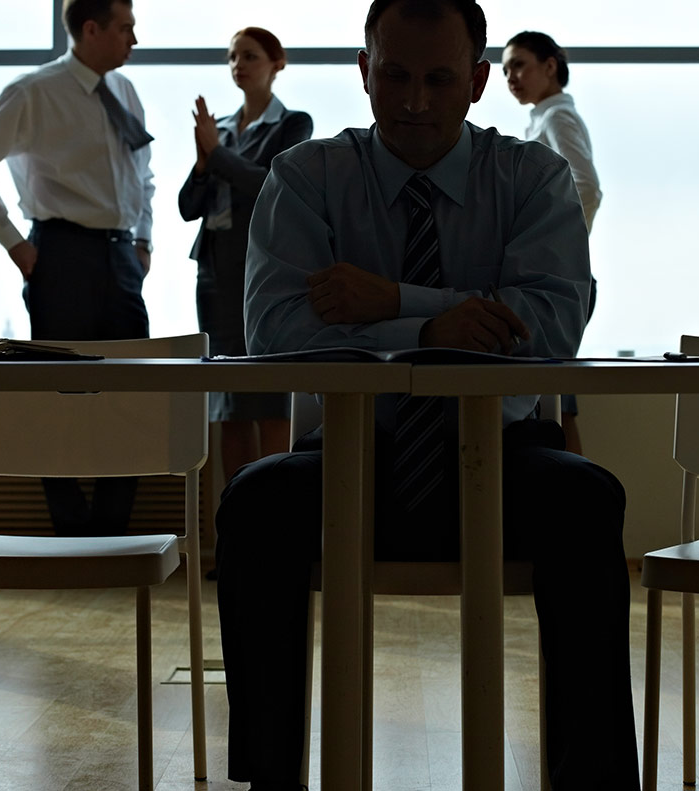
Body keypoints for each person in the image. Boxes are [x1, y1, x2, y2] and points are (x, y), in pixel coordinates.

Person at [214, 1, 638, 788]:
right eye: (396, 75)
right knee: (251, 502)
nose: (414, 100)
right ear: (363, 73)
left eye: (439, 78)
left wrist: (389, 301)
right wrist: (444, 318)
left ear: (476, 82)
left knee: (588, 500)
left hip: (506, 455)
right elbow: (274, 329)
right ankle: (268, 776)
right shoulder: (305, 177)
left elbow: (549, 326)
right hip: (348, 453)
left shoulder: (531, 175)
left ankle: (593, 781)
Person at [0, 0, 154, 537]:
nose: (136, 39)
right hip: (60, 255)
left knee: (132, 397)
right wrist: (15, 244)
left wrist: (145, 242)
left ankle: (114, 533)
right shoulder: (34, 92)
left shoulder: (126, 93)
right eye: (126, 28)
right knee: (58, 401)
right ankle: (70, 530)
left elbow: (144, 175)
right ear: (91, 29)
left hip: (121, 256)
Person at [178, 27, 312, 489]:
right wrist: (203, 160)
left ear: (277, 64)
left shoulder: (292, 124)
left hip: (259, 275)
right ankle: (234, 530)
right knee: (228, 408)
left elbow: (268, 184)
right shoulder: (222, 130)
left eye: (250, 56)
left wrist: (214, 154)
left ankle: (276, 521)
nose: (239, 65)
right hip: (215, 276)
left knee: (272, 401)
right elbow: (186, 207)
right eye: (233, 57)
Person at [502, 30, 601, 456]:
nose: (511, 76)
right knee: (552, 400)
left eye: (520, 64)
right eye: (506, 69)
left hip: (554, 277)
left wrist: (556, 248)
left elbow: (588, 186)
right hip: (551, 275)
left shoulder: (557, 117)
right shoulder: (543, 118)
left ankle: (574, 506)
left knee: (554, 401)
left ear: (550, 65)